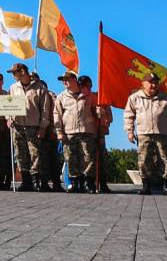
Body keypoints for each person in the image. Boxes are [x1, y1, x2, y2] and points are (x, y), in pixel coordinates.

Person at [125, 73, 167, 195]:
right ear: (143, 84)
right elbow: (128, 116)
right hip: (143, 134)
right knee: (144, 160)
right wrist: (130, 131)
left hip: (163, 134)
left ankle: (166, 186)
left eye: (156, 82)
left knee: (166, 160)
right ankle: (146, 186)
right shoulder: (134, 98)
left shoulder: (166, 99)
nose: (154, 85)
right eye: (150, 82)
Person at [6, 63, 53, 191]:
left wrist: (43, 127)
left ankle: (36, 180)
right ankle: (25, 181)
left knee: (35, 153)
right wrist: (8, 118)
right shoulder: (13, 88)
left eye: (14, 72)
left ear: (22, 72)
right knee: (20, 154)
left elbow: (45, 109)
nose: (13, 75)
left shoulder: (39, 88)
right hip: (17, 126)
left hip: (33, 126)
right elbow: (6, 105)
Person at [54, 71, 99, 193]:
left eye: (67, 79)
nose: (64, 82)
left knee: (88, 158)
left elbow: (96, 110)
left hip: (86, 131)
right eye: (63, 80)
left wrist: (100, 115)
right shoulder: (61, 97)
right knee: (71, 158)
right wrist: (59, 131)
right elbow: (57, 115)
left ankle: (88, 183)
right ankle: (75, 183)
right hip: (69, 132)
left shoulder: (88, 95)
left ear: (74, 79)